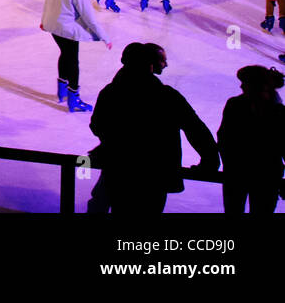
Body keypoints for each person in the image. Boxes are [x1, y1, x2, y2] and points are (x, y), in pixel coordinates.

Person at [88, 43, 218, 213]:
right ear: (149, 63)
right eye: (162, 60)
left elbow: (97, 125)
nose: (166, 64)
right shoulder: (166, 96)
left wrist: (115, 143)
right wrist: (210, 161)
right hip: (156, 174)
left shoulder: (111, 92)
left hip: (119, 171)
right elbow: (195, 128)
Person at [40, 0, 111, 113]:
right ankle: (74, 99)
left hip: (53, 27)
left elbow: (47, 4)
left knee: (65, 54)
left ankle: (62, 91)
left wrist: (44, 22)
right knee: (72, 61)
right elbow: (89, 18)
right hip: (67, 30)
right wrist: (105, 37)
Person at [217, 64, 285, 213]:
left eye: (245, 82)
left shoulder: (235, 105)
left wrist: (230, 163)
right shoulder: (279, 111)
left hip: (239, 173)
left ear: (257, 85)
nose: (241, 86)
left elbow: (224, 138)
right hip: (267, 175)